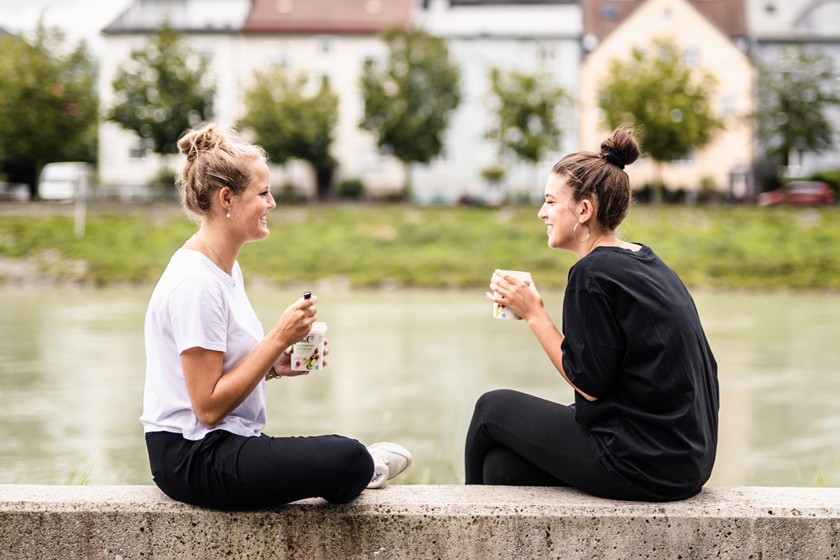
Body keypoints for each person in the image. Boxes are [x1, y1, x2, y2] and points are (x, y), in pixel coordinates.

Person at [141, 123, 411, 511]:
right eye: (263, 193)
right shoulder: (195, 284)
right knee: (346, 457)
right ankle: (367, 466)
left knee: (339, 456)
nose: (272, 204)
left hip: (225, 441)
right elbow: (207, 407)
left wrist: (272, 366)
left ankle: (360, 465)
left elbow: (220, 375)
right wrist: (278, 338)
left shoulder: (225, 269)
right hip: (191, 455)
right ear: (226, 199)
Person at [465, 127, 718, 502]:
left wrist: (534, 313)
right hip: (685, 461)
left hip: (643, 461)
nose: (541, 213)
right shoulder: (645, 260)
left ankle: (465, 532)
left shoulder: (592, 274)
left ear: (584, 210)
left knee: (491, 409)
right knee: (500, 467)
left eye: (551, 202)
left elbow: (589, 385)